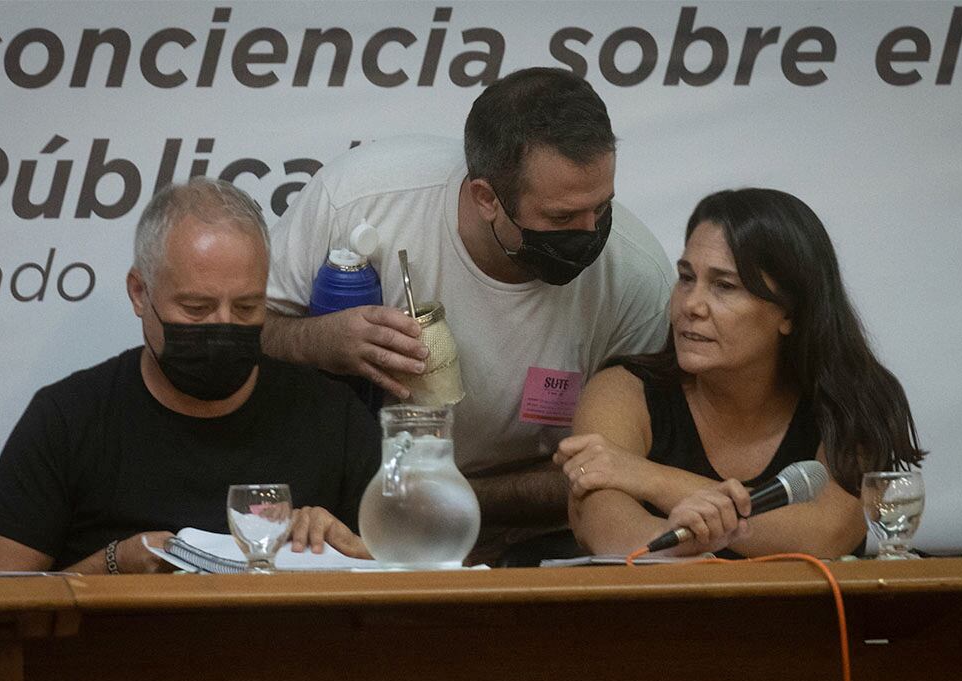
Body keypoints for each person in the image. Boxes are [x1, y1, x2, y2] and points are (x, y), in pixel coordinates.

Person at [262, 67, 672, 540]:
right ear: (486, 198)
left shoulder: (636, 276)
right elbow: (246, 333)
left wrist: (445, 498)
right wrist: (317, 340)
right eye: (561, 216)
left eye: (601, 208)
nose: (588, 233)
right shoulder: (362, 200)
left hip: (526, 536)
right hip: (341, 526)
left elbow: (618, 473)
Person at [0, 178, 380, 573]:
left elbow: (413, 591)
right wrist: (110, 565)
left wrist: (350, 549)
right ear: (139, 293)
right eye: (197, 309)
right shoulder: (67, 420)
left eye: (247, 308)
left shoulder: (334, 418)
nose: (223, 326)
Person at [556, 188, 926, 558]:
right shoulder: (623, 391)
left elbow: (823, 536)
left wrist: (648, 477)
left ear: (789, 312)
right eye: (686, 278)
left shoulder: (854, 397)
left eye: (724, 286)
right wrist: (682, 538)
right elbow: (601, 527)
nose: (692, 305)